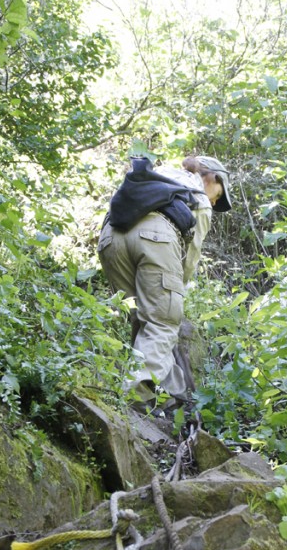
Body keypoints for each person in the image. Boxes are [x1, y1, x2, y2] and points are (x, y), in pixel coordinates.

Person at [98, 154, 232, 407]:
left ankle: (165, 395)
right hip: (156, 238)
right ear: (213, 178)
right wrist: (176, 293)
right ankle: (135, 397)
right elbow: (190, 258)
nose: (215, 202)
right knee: (162, 320)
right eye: (219, 195)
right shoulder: (199, 196)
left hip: (110, 238)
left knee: (141, 318)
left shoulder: (159, 175)